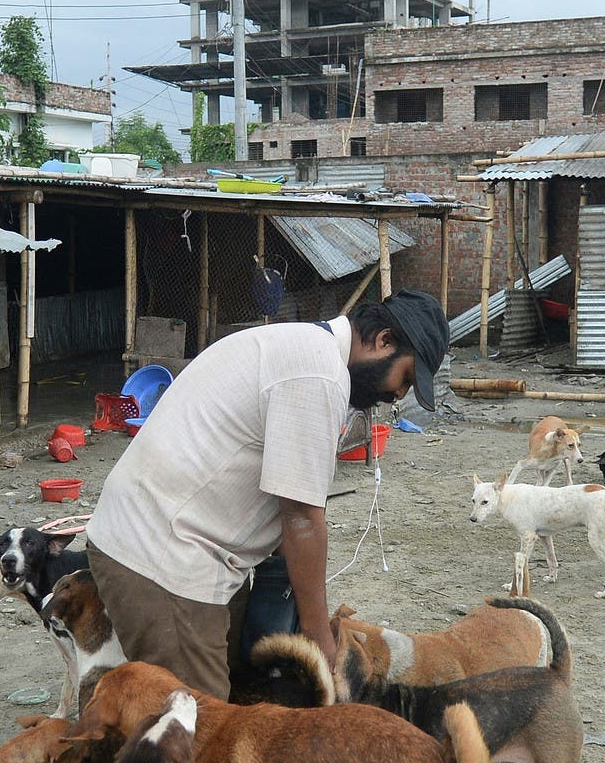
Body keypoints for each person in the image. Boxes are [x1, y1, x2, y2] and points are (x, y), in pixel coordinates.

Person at [81, 291, 448, 701]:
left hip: (182, 541)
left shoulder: (304, 349)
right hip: (165, 556)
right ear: (382, 341)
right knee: (205, 729)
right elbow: (302, 518)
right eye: (406, 378)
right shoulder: (317, 374)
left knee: (242, 690)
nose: (399, 395)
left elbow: (281, 497)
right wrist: (319, 645)